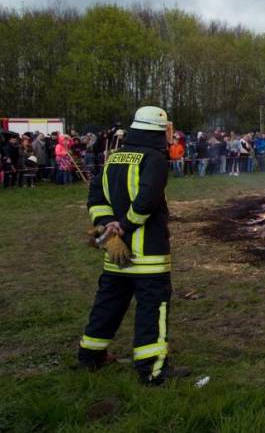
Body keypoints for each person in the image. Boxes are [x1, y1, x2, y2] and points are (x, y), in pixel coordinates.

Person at [79, 106, 183, 385]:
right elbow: (147, 200)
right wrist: (123, 226)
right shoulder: (155, 159)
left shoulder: (114, 157)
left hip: (115, 253)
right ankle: (152, 371)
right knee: (152, 309)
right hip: (148, 255)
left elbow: (96, 199)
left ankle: (90, 356)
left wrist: (107, 226)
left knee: (108, 305)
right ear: (158, 131)